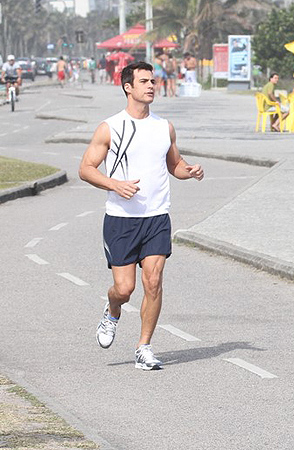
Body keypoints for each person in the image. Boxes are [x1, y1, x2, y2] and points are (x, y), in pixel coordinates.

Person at [78, 61, 204, 370]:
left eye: (153, 81)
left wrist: (189, 171)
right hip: (121, 218)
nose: (151, 86)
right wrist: (114, 184)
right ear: (128, 87)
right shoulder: (110, 127)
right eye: (144, 81)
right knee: (124, 289)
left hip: (157, 217)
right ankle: (112, 311)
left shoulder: (164, 127)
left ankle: (144, 347)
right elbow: (85, 169)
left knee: (154, 281)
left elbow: (175, 164)